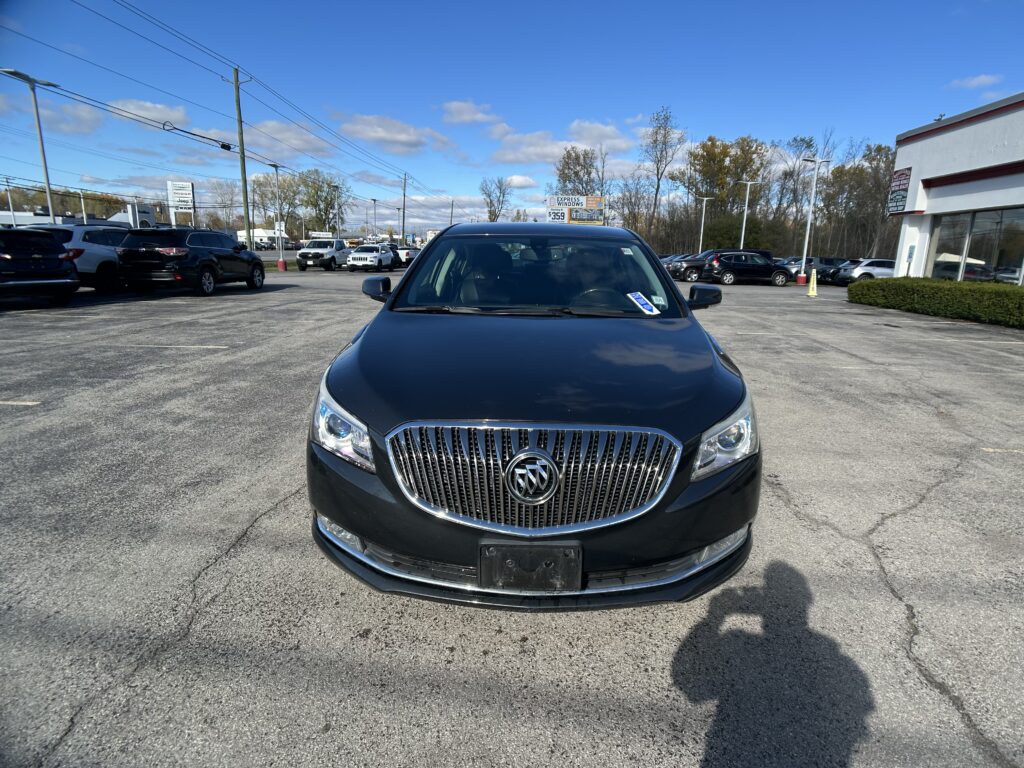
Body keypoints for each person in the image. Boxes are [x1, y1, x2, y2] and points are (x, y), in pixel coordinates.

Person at [674, 562, 874, 767]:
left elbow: (693, 688)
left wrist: (716, 615)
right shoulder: (846, 668)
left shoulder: (741, 644)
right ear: (807, 601)